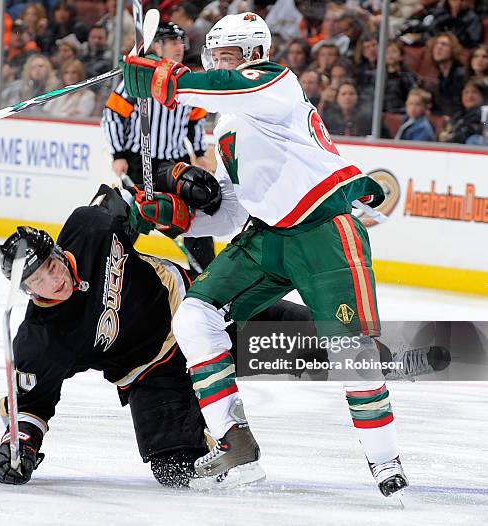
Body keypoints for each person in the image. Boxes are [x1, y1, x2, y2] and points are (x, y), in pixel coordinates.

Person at [119, 11, 408, 497]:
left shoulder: (275, 84)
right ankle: (235, 442)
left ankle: (385, 461)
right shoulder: (227, 123)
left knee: (353, 354)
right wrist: (176, 216)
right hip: (267, 237)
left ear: (255, 54)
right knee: (194, 316)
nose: (218, 64)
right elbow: (233, 211)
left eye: (228, 56)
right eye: (213, 55)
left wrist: (163, 78)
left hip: (324, 228)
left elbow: (223, 85)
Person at [0, 181, 319, 486]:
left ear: (56, 251)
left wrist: (169, 193)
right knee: (175, 468)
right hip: (152, 374)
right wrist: (20, 447)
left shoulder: (89, 228)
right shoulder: (40, 340)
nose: (54, 280)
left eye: (51, 265)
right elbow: (30, 405)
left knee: (338, 350)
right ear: (24, 289)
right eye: (37, 280)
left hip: (199, 316)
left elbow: (133, 202)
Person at [101, 22, 215, 273]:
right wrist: (118, 153)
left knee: (192, 219)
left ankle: (205, 277)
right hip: (139, 161)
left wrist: (200, 152)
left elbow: (194, 120)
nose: (178, 47)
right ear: (157, 46)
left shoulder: (187, 78)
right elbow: (112, 115)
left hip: (176, 163)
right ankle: (112, 271)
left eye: (180, 42)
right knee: (132, 217)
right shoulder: (140, 78)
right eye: (172, 42)